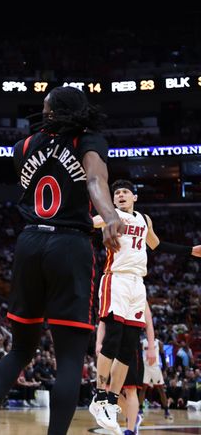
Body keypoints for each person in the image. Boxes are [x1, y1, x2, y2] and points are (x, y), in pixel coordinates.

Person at [0, 86, 126, 435]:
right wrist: (110, 215)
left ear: (53, 111)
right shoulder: (87, 140)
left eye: (45, 107)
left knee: (20, 349)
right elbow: (96, 180)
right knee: (69, 359)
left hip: (29, 243)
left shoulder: (22, 147)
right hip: (69, 244)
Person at [90, 180, 201, 432]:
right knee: (113, 337)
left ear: (134, 198)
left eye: (125, 192)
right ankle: (98, 395)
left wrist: (191, 250)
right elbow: (89, 223)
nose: (120, 195)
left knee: (128, 346)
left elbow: (158, 246)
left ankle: (109, 401)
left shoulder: (144, 219)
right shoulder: (111, 214)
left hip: (137, 284)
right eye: (116, 192)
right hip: (115, 278)